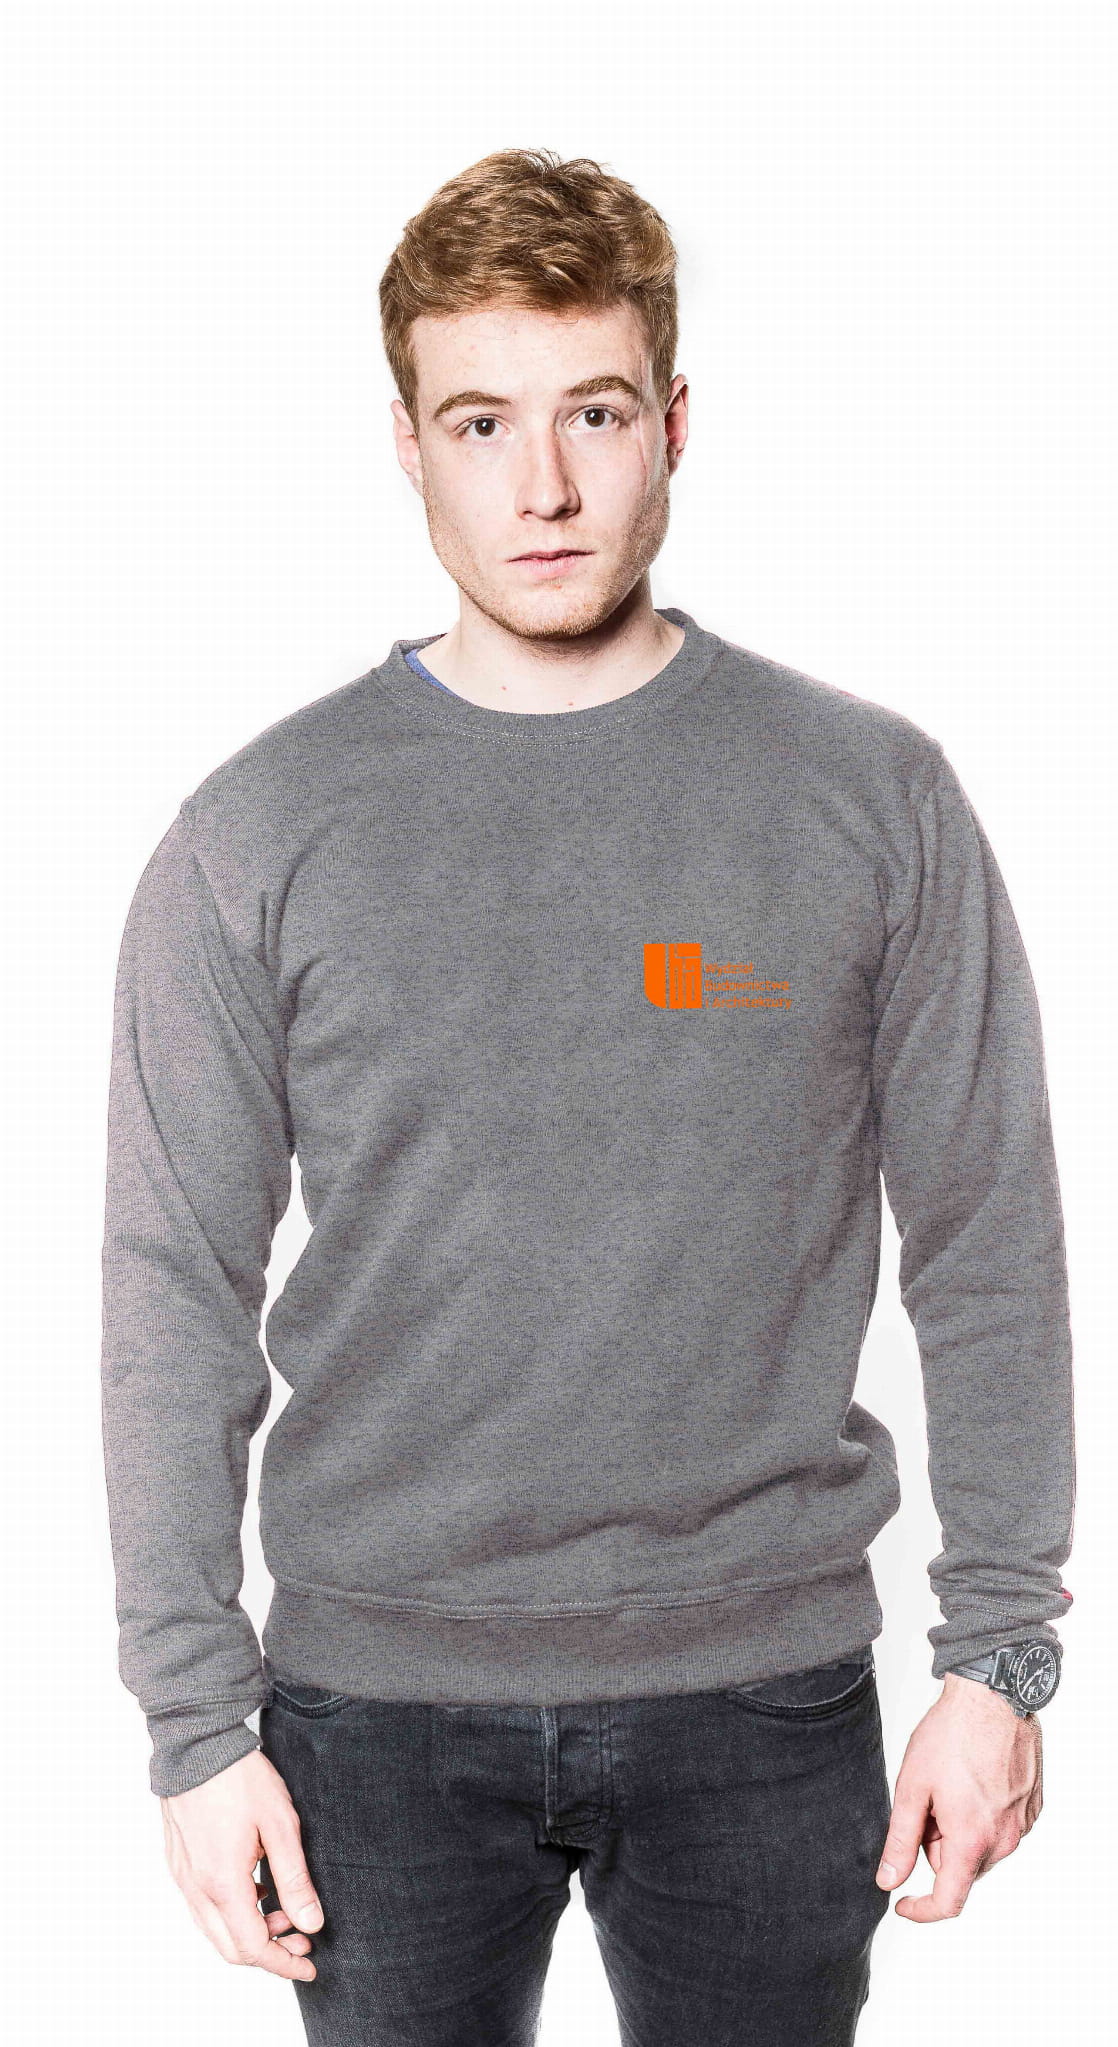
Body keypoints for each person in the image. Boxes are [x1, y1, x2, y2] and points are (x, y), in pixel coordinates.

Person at [100, 148, 1076, 2046]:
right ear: (408, 444)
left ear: (672, 425)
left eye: (594, 413)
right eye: (481, 421)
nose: (540, 485)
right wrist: (193, 1726)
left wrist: (1000, 1656)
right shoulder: (257, 834)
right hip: (371, 1717)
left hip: (766, 1694)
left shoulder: (867, 799)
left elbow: (986, 1233)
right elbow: (171, 1291)